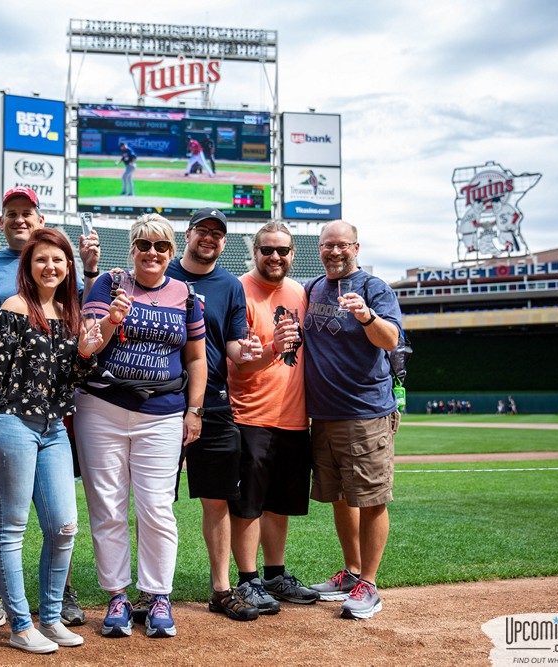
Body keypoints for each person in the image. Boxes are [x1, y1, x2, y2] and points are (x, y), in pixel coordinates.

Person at [0, 228, 101, 654]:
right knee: (11, 530)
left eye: (58, 260)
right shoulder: (13, 307)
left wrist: (85, 353)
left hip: (54, 428)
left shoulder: (68, 313)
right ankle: (22, 625)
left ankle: (52, 616)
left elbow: (74, 381)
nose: (51, 267)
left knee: (63, 527)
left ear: (68, 267)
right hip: (11, 425)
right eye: (42, 259)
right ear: (29, 265)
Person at [74, 213, 206, 639]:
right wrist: (112, 320)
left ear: (171, 252)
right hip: (102, 406)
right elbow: (86, 344)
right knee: (108, 506)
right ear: (131, 249)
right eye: (144, 245)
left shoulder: (186, 293)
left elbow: (197, 359)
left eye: (162, 246)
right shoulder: (109, 284)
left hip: (164, 412)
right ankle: (117, 595)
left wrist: (195, 410)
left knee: (156, 508)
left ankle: (158, 595)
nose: (153, 253)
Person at [166, 208, 284, 623]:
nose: (209, 238)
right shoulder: (162, 273)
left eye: (217, 233)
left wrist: (248, 352)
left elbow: (233, 346)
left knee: (217, 500)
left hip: (214, 402)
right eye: (203, 230)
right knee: (155, 501)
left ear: (225, 242)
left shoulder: (230, 285)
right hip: (160, 402)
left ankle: (220, 589)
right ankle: (151, 590)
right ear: (189, 234)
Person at [302, 220, 403, 620]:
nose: (334, 251)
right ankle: (351, 572)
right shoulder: (312, 288)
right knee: (341, 497)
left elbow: (391, 340)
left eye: (342, 245)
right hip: (323, 415)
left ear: (355, 247)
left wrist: (366, 317)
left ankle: (370, 585)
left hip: (365, 413)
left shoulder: (374, 288)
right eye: (328, 245)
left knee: (371, 498)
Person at [227, 222, 316, 617]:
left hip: (294, 418)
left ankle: (275, 574)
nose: (275, 257)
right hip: (251, 415)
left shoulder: (299, 292)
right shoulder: (239, 290)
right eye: (267, 250)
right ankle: (247, 581)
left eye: (282, 250)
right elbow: (239, 366)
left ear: (293, 253)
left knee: (279, 504)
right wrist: (271, 350)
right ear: (255, 251)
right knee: (248, 504)